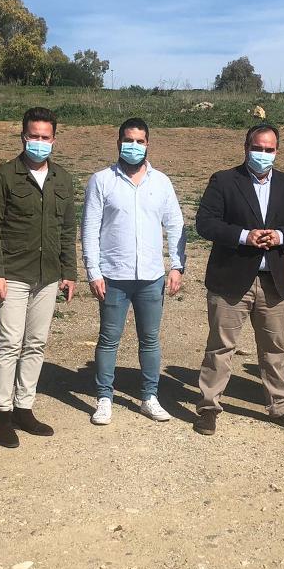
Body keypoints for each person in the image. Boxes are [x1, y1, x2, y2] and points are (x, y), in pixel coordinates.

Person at [193, 123, 284, 435]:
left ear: (277, 151)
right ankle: (209, 406)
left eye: (269, 149)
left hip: (274, 280)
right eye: (257, 148)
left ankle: (279, 405)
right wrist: (245, 236)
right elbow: (205, 223)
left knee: (274, 347)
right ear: (246, 148)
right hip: (232, 280)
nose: (262, 154)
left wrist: (279, 235)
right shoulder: (224, 181)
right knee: (221, 346)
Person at [82, 118, 186, 425]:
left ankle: (149, 397)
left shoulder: (161, 182)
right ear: (118, 142)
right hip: (114, 275)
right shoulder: (101, 181)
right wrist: (93, 271)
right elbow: (89, 228)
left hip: (151, 276)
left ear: (148, 144)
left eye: (140, 141)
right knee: (109, 338)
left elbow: (176, 224)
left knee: (150, 339)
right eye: (129, 140)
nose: (134, 146)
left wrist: (177, 265)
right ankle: (104, 397)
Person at [0, 107, 77, 448]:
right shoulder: (4, 175)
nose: (39, 142)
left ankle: (24, 407)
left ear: (54, 138)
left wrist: (69, 272)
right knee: (9, 344)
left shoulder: (62, 179)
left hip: (48, 275)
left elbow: (68, 229)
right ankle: (3, 414)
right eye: (33, 136)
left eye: (45, 137)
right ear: (22, 136)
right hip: (13, 274)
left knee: (36, 344)